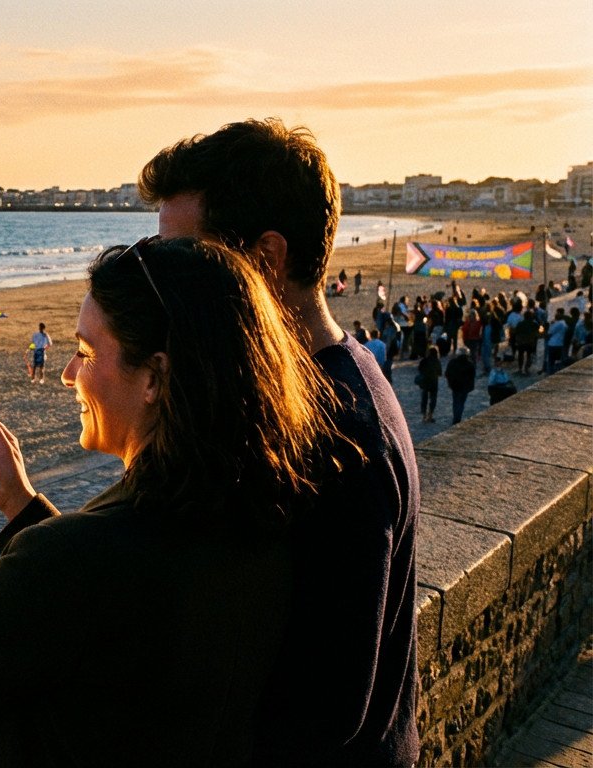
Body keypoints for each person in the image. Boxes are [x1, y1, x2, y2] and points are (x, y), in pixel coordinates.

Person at [0, 237, 346, 764]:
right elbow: (101, 603)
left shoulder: (78, 560)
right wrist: (21, 504)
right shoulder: (265, 512)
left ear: (155, 377)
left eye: (86, 353)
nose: (68, 374)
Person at [140, 119, 419, 765]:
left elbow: (322, 710)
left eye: (185, 258)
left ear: (266, 257)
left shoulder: (338, 436)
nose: (162, 282)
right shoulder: (339, 376)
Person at [444, 348, 476, 425]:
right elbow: (472, 376)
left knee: (456, 403)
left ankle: (456, 419)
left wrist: (449, 383)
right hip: (465, 387)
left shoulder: (452, 362)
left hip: (455, 386)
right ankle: (458, 418)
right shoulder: (470, 364)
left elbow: (447, 373)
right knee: (461, 403)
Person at [416, 348, 442, 423]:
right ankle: (430, 414)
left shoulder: (424, 360)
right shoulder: (437, 361)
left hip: (425, 381)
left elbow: (419, 369)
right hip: (434, 382)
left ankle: (424, 415)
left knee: (424, 398)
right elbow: (440, 373)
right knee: (433, 398)